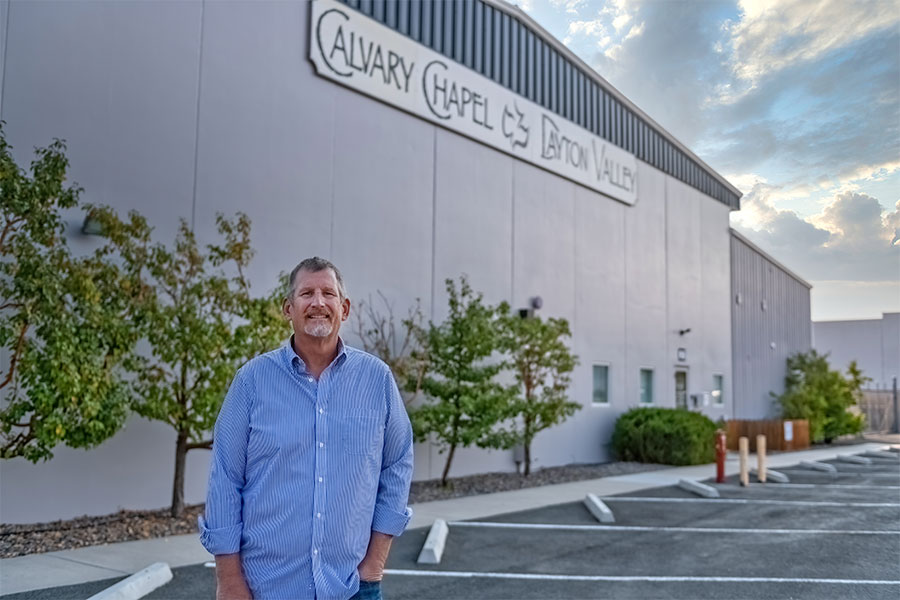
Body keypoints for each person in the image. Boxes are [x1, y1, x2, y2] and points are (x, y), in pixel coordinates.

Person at [199, 257, 414, 600]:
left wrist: (375, 562)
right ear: (288, 308)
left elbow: (397, 464)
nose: (318, 303)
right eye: (306, 293)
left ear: (344, 308)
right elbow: (225, 478)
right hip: (265, 588)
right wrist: (228, 580)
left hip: (352, 587)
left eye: (328, 293)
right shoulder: (251, 382)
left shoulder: (377, 380)